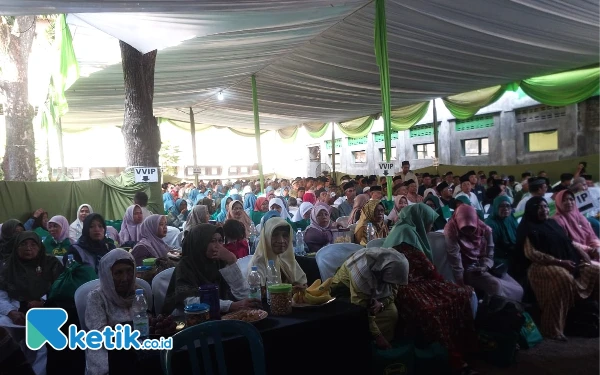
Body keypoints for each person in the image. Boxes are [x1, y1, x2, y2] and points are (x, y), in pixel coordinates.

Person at [383, 204, 478, 375]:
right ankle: (452, 357)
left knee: (461, 294)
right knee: (432, 308)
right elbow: (425, 267)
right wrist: (443, 282)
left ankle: (459, 351)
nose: (430, 226)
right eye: (428, 221)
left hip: (418, 282)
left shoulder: (406, 229)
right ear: (420, 219)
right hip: (404, 286)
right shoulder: (407, 233)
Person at [516, 197, 600, 340]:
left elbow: (568, 242)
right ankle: (552, 329)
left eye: (545, 207)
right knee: (562, 278)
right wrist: (560, 262)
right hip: (541, 265)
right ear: (532, 210)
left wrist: (583, 254)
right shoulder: (527, 227)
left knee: (596, 271)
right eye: (539, 207)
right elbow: (532, 254)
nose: (544, 210)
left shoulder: (552, 223)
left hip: (567, 260)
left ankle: (594, 315)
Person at [162, 224, 260, 315]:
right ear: (199, 243)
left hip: (222, 316)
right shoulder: (186, 266)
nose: (218, 246)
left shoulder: (219, 262)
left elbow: (243, 294)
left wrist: (232, 260)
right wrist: (230, 305)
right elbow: (190, 301)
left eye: (220, 241)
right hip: (193, 319)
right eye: (212, 241)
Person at [330, 247, 408, 350]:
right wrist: (378, 337)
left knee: (391, 313)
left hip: (372, 296)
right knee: (359, 320)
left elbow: (393, 291)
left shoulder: (392, 265)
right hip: (345, 295)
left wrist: (381, 304)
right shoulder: (362, 272)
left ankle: (383, 349)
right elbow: (360, 309)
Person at [445, 205, 523, 301]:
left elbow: (490, 252)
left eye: (471, 228)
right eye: (465, 228)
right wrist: (461, 284)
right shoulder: (452, 230)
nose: (469, 232)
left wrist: (486, 266)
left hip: (485, 265)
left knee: (517, 288)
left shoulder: (484, 228)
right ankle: (494, 312)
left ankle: (512, 310)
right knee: (495, 285)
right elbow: (455, 259)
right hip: (467, 268)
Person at [84, 249, 141, 375]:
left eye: (129, 271)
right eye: (118, 273)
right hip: (107, 354)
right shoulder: (96, 297)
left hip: (137, 351)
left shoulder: (139, 293)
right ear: (107, 274)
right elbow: (99, 334)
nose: (125, 278)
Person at [0, 232, 64, 326]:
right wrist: (12, 312)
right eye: (23, 244)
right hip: (16, 310)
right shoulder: (9, 267)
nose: (28, 248)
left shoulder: (51, 264)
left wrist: (43, 302)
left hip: (47, 308)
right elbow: (1, 297)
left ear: (40, 247)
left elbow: (60, 289)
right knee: (3, 324)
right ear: (16, 247)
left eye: (33, 245)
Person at [248, 217, 307, 286]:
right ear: (266, 237)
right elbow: (258, 294)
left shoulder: (285, 258)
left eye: (285, 236)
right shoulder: (258, 263)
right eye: (275, 235)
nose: (281, 241)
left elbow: (302, 283)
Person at [553, 190, 600, 258]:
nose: (568, 202)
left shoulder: (580, 217)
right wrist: (589, 250)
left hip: (594, 252)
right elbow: (568, 243)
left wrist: (597, 247)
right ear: (558, 202)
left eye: (571, 199)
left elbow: (592, 236)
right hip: (577, 255)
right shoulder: (557, 220)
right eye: (564, 200)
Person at [485, 196, 519, 274]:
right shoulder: (490, 224)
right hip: (499, 257)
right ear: (496, 207)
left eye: (508, 206)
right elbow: (491, 249)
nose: (506, 208)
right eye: (501, 206)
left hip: (513, 252)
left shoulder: (511, 218)